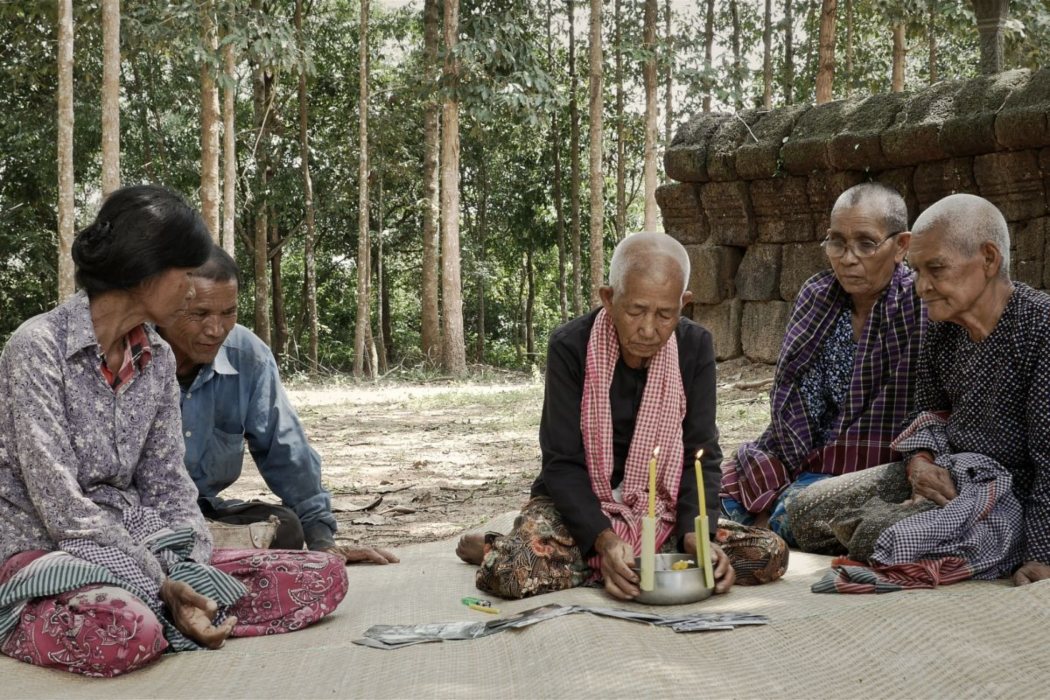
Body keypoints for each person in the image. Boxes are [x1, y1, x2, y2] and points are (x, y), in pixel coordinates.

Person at [0, 186, 348, 678]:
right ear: (148, 272)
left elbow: (171, 487)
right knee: (126, 632)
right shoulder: (36, 347)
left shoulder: (156, 357)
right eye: (185, 276)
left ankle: (170, 609)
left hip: (135, 539)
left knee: (322, 578)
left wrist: (191, 569)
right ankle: (54, 612)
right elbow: (63, 511)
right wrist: (161, 580)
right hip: (45, 543)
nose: (191, 291)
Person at [457, 232, 787, 601]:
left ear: (684, 305)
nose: (649, 329)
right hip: (579, 509)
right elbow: (561, 462)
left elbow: (702, 453)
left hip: (662, 510)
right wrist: (605, 540)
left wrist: (696, 536)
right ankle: (499, 549)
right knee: (514, 572)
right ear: (608, 299)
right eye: (635, 311)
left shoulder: (695, 347)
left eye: (665, 314)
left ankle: (586, 561)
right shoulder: (570, 346)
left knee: (768, 554)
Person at [788, 193, 1050, 587]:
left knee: (881, 536)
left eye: (936, 270)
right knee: (804, 512)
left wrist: (1041, 555)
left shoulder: (1039, 327)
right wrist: (921, 463)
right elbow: (924, 414)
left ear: (989, 260)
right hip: (949, 476)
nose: (921, 286)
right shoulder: (943, 329)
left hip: (1008, 495)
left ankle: (909, 545)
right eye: (916, 271)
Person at [156, 245, 398, 566]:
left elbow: (286, 451)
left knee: (286, 529)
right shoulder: (131, 356)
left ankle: (190, 554)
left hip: (199, 513)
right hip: (131, 516)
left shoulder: (248, 356)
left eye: (229, 312)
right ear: (165, 307)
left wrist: (322, 540)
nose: (216, 330)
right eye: (199, 314)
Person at [720, 182, 925, 548]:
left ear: (901, 246)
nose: (848, 258)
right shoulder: (817, 295)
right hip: (803, 452)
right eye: (837, 242)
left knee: (796, 512)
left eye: (866, 243)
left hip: (875, 459)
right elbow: (791, 394)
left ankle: (775, 523)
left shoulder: (918, 304)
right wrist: (784, 468)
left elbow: (922, 410)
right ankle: (773, 520)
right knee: (710, 497)